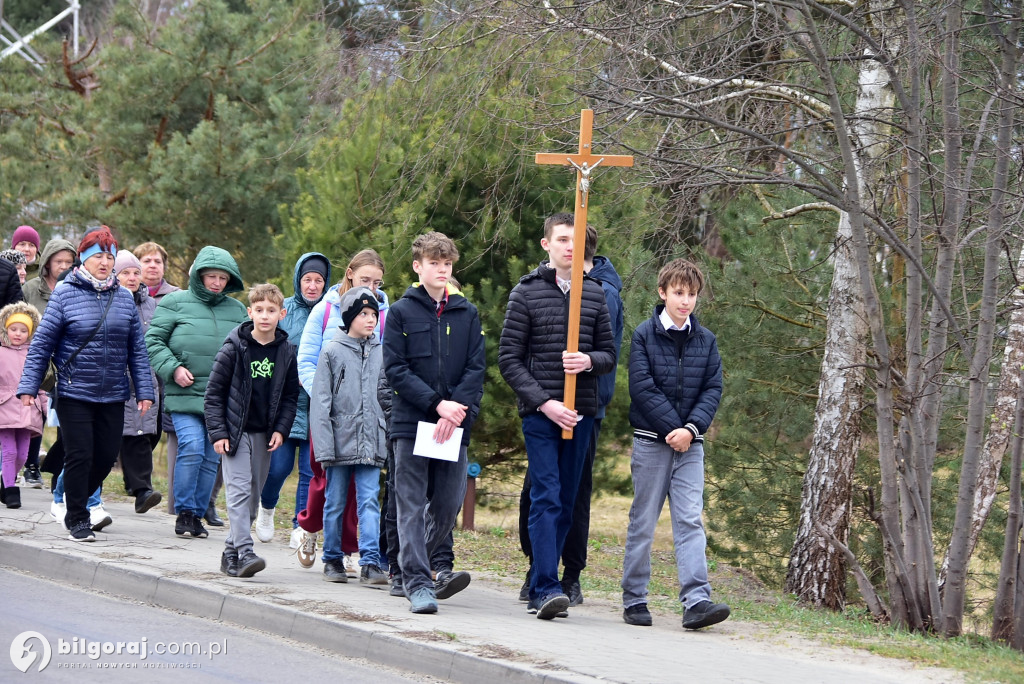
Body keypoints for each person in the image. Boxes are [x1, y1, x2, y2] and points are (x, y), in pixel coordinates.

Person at [498, 212, 616, 620]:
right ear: (546, 244)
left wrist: (588, 361)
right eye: (562, 239)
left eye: (576, 239)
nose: (570, 246)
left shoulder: (594, 294)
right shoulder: (526, 293)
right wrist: (544, 403)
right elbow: (509, 360)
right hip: (542, 413)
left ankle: (544, 582)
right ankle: (545, 587)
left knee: (566, 498)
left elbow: (609, 354)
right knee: (545, 495)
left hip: (580, 412)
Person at [17, 226, 155, 542]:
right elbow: (42, 345)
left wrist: (144, 390)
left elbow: (137, 348)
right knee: (80, 455)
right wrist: (28, 386)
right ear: (84, 258)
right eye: (98, 256)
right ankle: (78, 518)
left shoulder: (123, 297)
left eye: (109, 257)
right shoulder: (65, 293)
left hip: (113, 392)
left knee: (106, 457)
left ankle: (71, 497)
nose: (104, 263)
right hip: (73, 390)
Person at [620, 258, 728, 630]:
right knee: (643, 522)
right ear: (662, 292)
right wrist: (673, 430)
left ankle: (696, 601)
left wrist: (691, 430)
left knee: (690, 521)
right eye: (679, 293)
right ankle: (635, 598)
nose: (685, 301)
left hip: (690, 446)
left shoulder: (706, 340)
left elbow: (712, 388)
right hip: (653, 443)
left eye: (692, 294)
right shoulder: (643, 335)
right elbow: (642, 387)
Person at [383, 232, 486, 614]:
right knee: (410, 505)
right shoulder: (400, 312)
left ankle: (410, 565)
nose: (442, 269)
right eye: (434, 263)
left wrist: (455, 410)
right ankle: (418, 582)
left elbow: (476, 367)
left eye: (447, 263)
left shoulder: (467, 313)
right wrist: (436, 404)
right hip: (412, 424)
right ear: (418, 266)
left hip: (453, 426)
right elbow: (396, 369)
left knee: (446, 504)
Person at [295, 249, 389, 573]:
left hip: (368, 425)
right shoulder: (325, 310)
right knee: (328, 489)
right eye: (365, 279)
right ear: (350, 273)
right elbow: (307, 361)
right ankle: (312, 531)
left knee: (363, 496)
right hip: (331, 419)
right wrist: (329, 398)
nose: (371, 288)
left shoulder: (383, 315)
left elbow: (386, 375)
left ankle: (356, 553)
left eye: (377, 283)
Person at [146, 246, 247, 539]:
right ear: (199, 275)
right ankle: (185, 512)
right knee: (191, 446)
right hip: (185, 393)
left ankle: (198, 514)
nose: (217, 282)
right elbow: (153, 340)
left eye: (223, 278)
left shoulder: (237, 310)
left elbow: (247, 349)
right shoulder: (175, 302)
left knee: (212, 456)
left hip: (221, 398)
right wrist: (173, 369)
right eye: (211, 276)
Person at [204, 283, 299, 578]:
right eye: (259, 310)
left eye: (271, 310)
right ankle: (245, 551)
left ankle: (230, 554)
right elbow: (213, 393)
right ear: (250, 312)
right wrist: (218, 432)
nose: (265, 316)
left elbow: (290, 397)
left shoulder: (286, 351)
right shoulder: (234, 346)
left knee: (254, 495)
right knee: (239, 490)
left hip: (264, 433)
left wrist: (281, 429)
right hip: (235, 432)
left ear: (282, 314)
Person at [256, 252, 330, 549]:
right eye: (307, 279)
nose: (312, 286)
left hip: (318, 404)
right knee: (278, 467)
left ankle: (300, 525)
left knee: (311, 471)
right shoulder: (283, 309)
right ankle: (266, 507)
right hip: (285, 403)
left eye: (318, 280)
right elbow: (265, 347)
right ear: (298, 280)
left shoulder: (331, 311)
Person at [21, 237, 74, 489]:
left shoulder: (77, 287)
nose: (63, 266)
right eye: (58, 261)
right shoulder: (31, 289)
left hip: (69, 360)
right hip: (38, 357)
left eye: (68, 261)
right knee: (37, 414)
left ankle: (59, 468)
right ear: (47, 263)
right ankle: (31, 464)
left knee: (70, 420)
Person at [114, 250, 163, 514]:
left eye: (136, 273)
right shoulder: (109, 299)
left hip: (146, 377)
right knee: (118, 436)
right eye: (125, 273)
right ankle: (140, 488)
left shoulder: (151, 304)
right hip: (114, 378)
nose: (132, 278)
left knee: (145, 434)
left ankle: (141, 488)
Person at [0, 302, 47, 508]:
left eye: (23, 330)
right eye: (13, 329)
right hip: (4, 407)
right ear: (6, 329)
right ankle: (11, 490)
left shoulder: (35, 354)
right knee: (9, 451)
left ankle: (5, 480)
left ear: (31, 332)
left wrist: (43, 407)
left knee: (23, 454)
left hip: (29, 408)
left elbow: (42, 383)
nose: (18, 334)